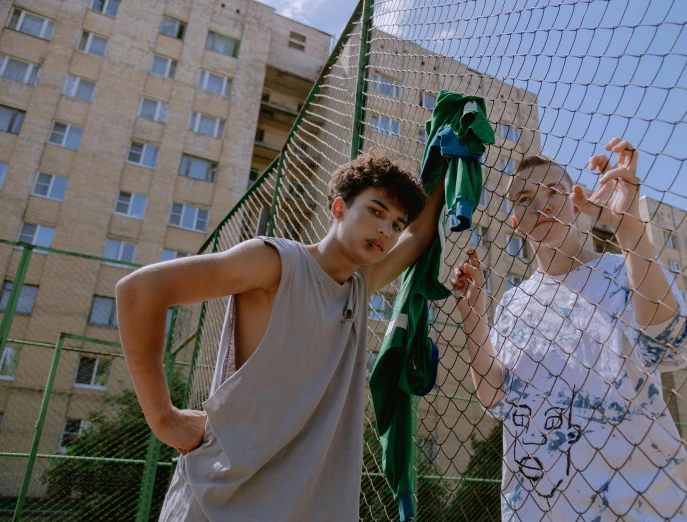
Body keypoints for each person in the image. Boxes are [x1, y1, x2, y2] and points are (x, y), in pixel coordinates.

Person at [116, 153, 444, 521]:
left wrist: (449, 157)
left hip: (302, 505)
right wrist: (164, 419)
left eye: (396, 223)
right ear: (339, 207)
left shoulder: (358, 285)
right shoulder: (275, 262)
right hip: (219, 497)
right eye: (376, 211)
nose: (387, 229)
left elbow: (420, 235)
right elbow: (139, 291)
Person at [450, 138, 687, 521]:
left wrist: (630, 231)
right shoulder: (514, 304)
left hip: (643, 508)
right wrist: (473, 318)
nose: (541, 203)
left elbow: (672, 349)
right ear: (514, 221)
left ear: (575, 200)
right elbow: (496, 400)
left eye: (554, 190)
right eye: (524, 198)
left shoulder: (623, 270)